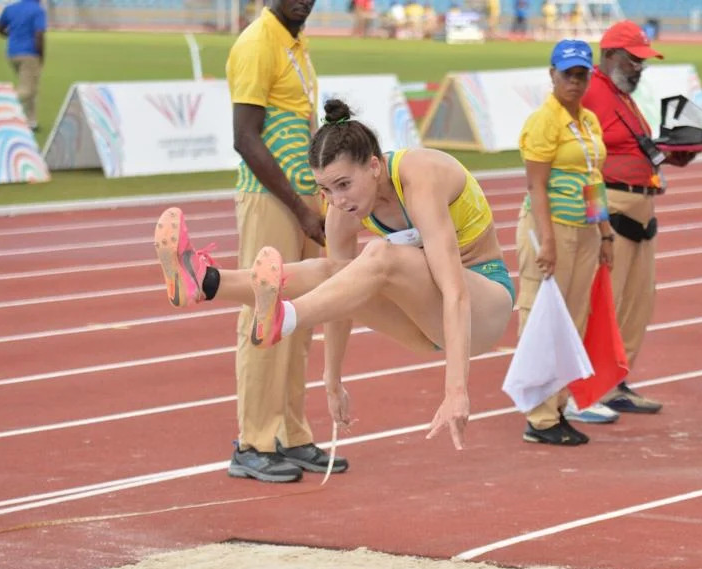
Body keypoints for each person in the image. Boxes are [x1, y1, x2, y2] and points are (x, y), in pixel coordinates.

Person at [154, 99, 515, 456]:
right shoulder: (342, 210)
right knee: (335, 270)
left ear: (374, 166)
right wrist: (332, 379)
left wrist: (456, 391)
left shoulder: (420, 177)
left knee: (380, 255)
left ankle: (287, 317)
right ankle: (204, 282)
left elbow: (455, 292)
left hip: (480, 308)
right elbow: (342, 295)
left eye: (343, 185)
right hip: (424, 322)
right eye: (325, 189)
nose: (337, 200)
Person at [224, 0, 346, 482]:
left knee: (299, 318)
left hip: (302, 202)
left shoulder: (296, 43)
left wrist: (319, 197)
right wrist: (298, 208)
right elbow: (245, 137)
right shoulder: (258, 42)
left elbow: (300, 127)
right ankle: (253, 442)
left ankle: (291, 434)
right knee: (263, 312)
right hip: (271, 201)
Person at [580, 20, 694, 420]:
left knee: (637, 303)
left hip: (642, 206)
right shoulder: (591, 91)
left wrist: (677, 152)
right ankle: (587, 385)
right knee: (603, 303)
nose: (639, 68)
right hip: (611, 207)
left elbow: (638, 147)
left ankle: (614, 382)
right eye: (633, 59)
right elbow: (578, 156)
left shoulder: (622, 96)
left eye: (643, 61)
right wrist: (598, 220)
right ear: (610, 55)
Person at [514, 39, 615, 445]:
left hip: (584, 231)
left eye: (581, 75)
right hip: (548, 228)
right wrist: (548, 241)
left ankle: (556, 406)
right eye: (567, 74)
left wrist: (605, 231)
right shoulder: (544, 121)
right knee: (541, 321)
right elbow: (536, 186)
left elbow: (594, 179)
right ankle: (538, 417)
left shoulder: (588, 121)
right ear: (551, 74)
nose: (574, 81)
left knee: (570, 323)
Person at [0, 0, 46, 133]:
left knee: (31, 87)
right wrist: (41, 56)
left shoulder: (11, 8)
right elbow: (39, 35)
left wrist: (12, 37)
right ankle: (1, 108)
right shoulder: (37, 10)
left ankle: (31, 121)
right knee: (27, 90)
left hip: (12, 53)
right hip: (29, 53)